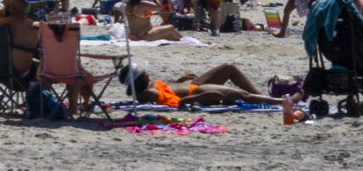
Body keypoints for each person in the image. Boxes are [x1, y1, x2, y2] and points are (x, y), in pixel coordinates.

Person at [125, 63, 302, 107]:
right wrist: (200, 98)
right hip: (199, 91)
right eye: (144, 73)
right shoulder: (147, 95)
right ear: (138, 80)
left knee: (228, 68)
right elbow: (177, 102)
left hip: (194, 86)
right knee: (239, 95)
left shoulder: (144, 89)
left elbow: (169, 91)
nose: (147, 73)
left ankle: (266, 99)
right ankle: (284, 102)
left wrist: (179, 81)